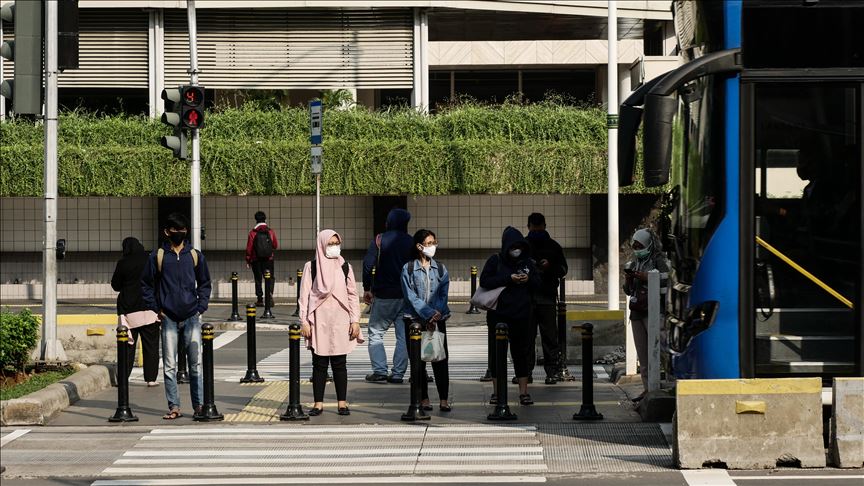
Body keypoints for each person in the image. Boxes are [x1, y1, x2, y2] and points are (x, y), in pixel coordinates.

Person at [141, 212, 212, 420]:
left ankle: (198, 405)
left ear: (186, 231)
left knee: (195, 364)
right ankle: (174, 406)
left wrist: (200, 307)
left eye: (182, 230)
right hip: (168, 316)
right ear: (167, 232)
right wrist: (157, 308)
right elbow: (146, 284)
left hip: (191, 315)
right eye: (175, 230)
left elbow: (205, 283)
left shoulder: (195, 255)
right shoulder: (158, 256)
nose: (179, 233)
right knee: (170, 365)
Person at [299, 230, 363, 416]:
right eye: (330, 243)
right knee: (319, 363)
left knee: (339, 363)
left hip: (341, 320)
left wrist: (355, 320)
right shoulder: (311, 267)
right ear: (321, 245)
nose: (334, 247)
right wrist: (304, 321)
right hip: (319, 320)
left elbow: (352, 295)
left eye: (337, 243)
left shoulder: (345, 266)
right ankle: (318, 403)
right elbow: (304, 296)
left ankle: (341, 403)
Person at [480, 226, 540, 406]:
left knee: (520, 353)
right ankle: (497, 392)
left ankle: (524, 392)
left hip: (521, 314)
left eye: (519, 246)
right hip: (498, 315)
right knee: (497, 354)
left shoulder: (528, 262)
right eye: (513, 246)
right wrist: (509, 278)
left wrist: (528, 280)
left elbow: (538, 284)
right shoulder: (495, 260)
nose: (516, 250)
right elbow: (485, 281)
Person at [401, 229, 452, 412]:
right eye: (429, 243)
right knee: (418, 362)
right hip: (414, 320)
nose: (433, 246)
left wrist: (435, 314)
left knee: (440, 359)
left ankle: (444, 399)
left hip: (438, 319)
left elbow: (443, 294)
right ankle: (423, 398)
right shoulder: (408, 268)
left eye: (434, 243)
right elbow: (410, 297)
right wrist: (428, 314)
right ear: (419, 246)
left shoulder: (441, 268)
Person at [362, 208, 414, 384]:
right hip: (406, 296)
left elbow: (368, 264)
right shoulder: (412, 241)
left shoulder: (379, 240)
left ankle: (380, 370)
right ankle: (398, 373)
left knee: (376, 332)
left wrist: (367, 287)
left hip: (384, 294)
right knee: (403, 336)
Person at [623, 228, 669, 402]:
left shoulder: (659, 261)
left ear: (649, 244)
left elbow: (666, 282)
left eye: (639, 245)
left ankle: (657, 388)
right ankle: (647, 389)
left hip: (654, 313)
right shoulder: (634, 262)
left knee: (657, 352)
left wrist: (647, 277)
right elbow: (628, 290)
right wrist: (629, 279)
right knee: (643, 355)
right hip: (636, 313)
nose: (636, 249)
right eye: (634, 245)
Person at [525, 213, 568, 384]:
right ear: (529, 227)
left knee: (547, 336)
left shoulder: (552, 246)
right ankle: (529, 372)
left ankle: (548, 371)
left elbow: (563, 269)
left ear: (544, 226)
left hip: (544, 296)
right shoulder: (524, 246)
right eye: (534, 227)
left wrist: (550, 267)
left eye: (538, 227)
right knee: (529, 336)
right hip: (532, 297)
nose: (536, 230)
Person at [111, 237, 159, 386]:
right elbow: (157, 280)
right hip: (150, 310)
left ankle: (123, 378)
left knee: (128, 347)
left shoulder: (123, 263)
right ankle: (151, 379)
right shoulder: (150, 259)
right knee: (151, 346)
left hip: (130, 311)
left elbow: (116, 285)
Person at [245, 211, 279, 307]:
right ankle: (269, 295)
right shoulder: (271, 231)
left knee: (258, 279)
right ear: (265, 219)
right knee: (270, 277)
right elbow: (275, 245)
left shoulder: (252, 233)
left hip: (256, 260)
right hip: (269, 259)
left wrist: (248, 260)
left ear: (256, 220)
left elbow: (249, 248)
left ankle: (260, 300)